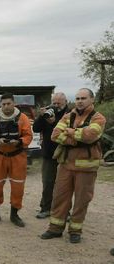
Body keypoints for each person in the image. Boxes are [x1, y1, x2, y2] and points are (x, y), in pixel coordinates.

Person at [40, 88, 106, 243]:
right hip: (66, 164)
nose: (80, 101)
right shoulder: (68, 116)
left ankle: (75, 231)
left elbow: (90, 136)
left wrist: (70, 132)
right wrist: (77, 137)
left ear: (92, 100)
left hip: (86, 167)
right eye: (77, 98)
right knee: (59, 197)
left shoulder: (98, 118)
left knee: (82, 200)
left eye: (83, 98)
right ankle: (55, 229)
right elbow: (55, 135)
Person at [0, 93, 33, 227]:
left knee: (18, 187)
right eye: (3, 104)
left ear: (14, 103)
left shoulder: (23, 118)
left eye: (8, 103)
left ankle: (14, 215)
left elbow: (28, 136)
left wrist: (19, 142)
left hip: (17, 156)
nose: (6, 106)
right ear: (1, 105)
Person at [33, 92, 70, 219]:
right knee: (48, 183)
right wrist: (41, 116)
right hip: (49, 154)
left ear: (65, 102)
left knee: (65, 184)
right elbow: (36, 129)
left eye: (59, 103)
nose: (56, 105)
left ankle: (65, 211)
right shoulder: (49, 112)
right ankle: (45, 208)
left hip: (66, 154)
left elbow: (67, 130)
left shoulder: (71, 114)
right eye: (54, 103)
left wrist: (54, 122)